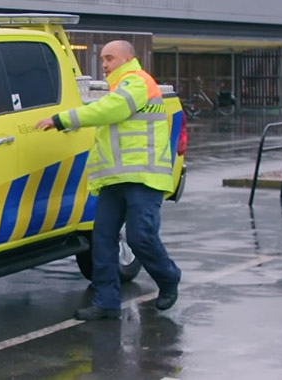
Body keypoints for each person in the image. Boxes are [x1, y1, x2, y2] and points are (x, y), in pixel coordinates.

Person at [35, 40, 181, 320]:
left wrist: (62, 119)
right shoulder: (119, 88)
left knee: (140, 238)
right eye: (102, 59)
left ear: (127, 58)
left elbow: (111, 110)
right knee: (102, 240)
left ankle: (168, 277)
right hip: (115, 180)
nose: (103, 65)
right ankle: (106, 301)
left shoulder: (137, 83)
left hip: (144, 177)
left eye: (109, 58)